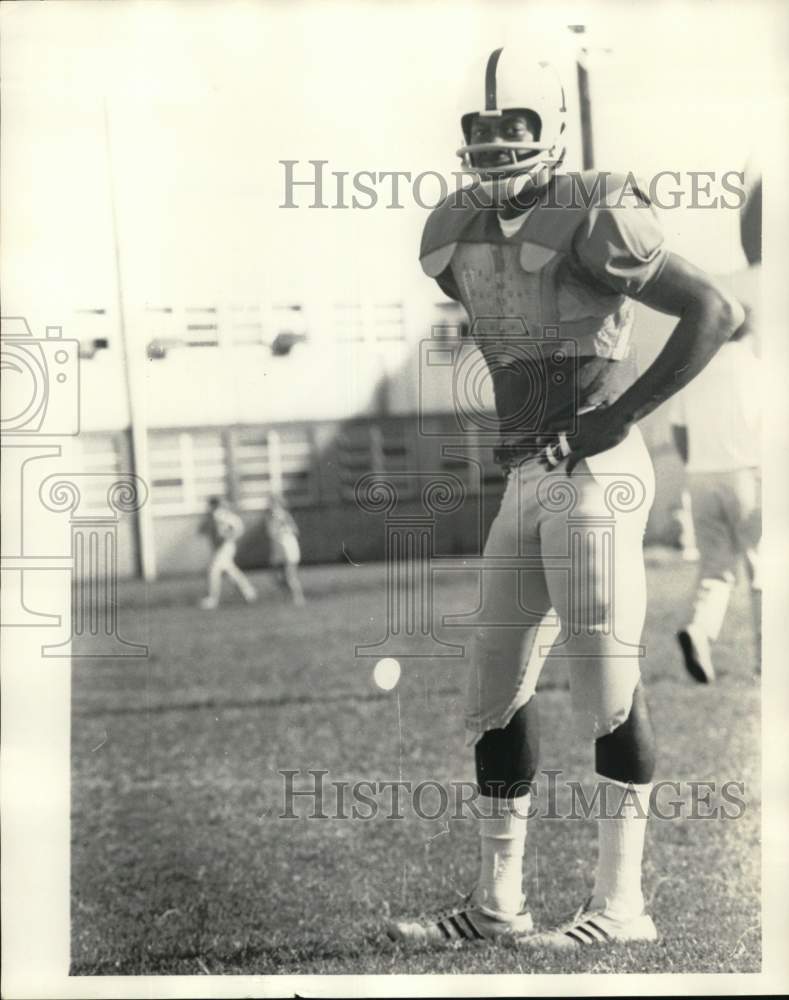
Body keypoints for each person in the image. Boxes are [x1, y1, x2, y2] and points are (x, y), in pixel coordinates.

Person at [386, 47, 743, 949]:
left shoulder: (592, 210)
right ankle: (497, 904)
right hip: (527, 477)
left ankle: (622, 906)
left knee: (607, 687)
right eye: (481, 126)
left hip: (594, 477)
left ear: (553, 131)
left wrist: (620, 415)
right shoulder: (453, 227)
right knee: (492, 692)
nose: (495, 140)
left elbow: (711, 309)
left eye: (516, 125)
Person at [670, 312, 762, 682]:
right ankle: (768, 662)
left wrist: (696, 464)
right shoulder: (757, 370)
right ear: (749, 333)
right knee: (763, 570)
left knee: (715, 570)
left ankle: (698, 629)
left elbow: (679, 429)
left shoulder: (696, 371)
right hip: (748, 475)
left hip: (701, 477)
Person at [198, 497, 258, 609]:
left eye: (211, 505)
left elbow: (236, 529)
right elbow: (202, 530)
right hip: (223, 547)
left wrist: (229, 536)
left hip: (225, 547)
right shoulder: (216, 516)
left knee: (213, 571)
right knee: (231, 571)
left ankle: (212, 599)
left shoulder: (220, 515)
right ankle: (249, 592)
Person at [263, 494, 305, 606]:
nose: (269, 505)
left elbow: (295, 531)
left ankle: (298, 598)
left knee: (290, 575)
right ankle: (290, 596)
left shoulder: (281, 515)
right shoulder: (272, 516)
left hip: (287, 547)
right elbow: (271, 533)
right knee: (277, 576)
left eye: (272, 503)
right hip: (279, 549)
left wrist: (284, 530)